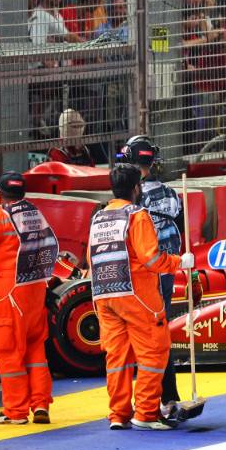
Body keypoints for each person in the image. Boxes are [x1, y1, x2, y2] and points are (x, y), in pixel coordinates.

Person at [89, 164, 192, 430]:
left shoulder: (99, 217)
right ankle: (146, 413)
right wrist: (179, 261)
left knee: (117, 357)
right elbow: (151, 258)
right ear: (137, 188)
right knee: (154, 351)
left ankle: (118, 414)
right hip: (137, 294)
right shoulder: (138, 216)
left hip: (104, 294)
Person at [0, 172, 59, 425]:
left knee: (7, 349)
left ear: (0, 192)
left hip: (9, 288)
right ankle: (41, 405)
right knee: (35, 349)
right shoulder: (33, 211)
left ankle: (15, 411)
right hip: (35, 286)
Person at [114, 134, 187, 413]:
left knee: (134, 338)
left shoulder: (130, 195)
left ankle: (136, 405)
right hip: (165, 271)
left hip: (136, 273)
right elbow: (179, 229)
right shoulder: (171, 194)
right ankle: (168, 396)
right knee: (159, 331)